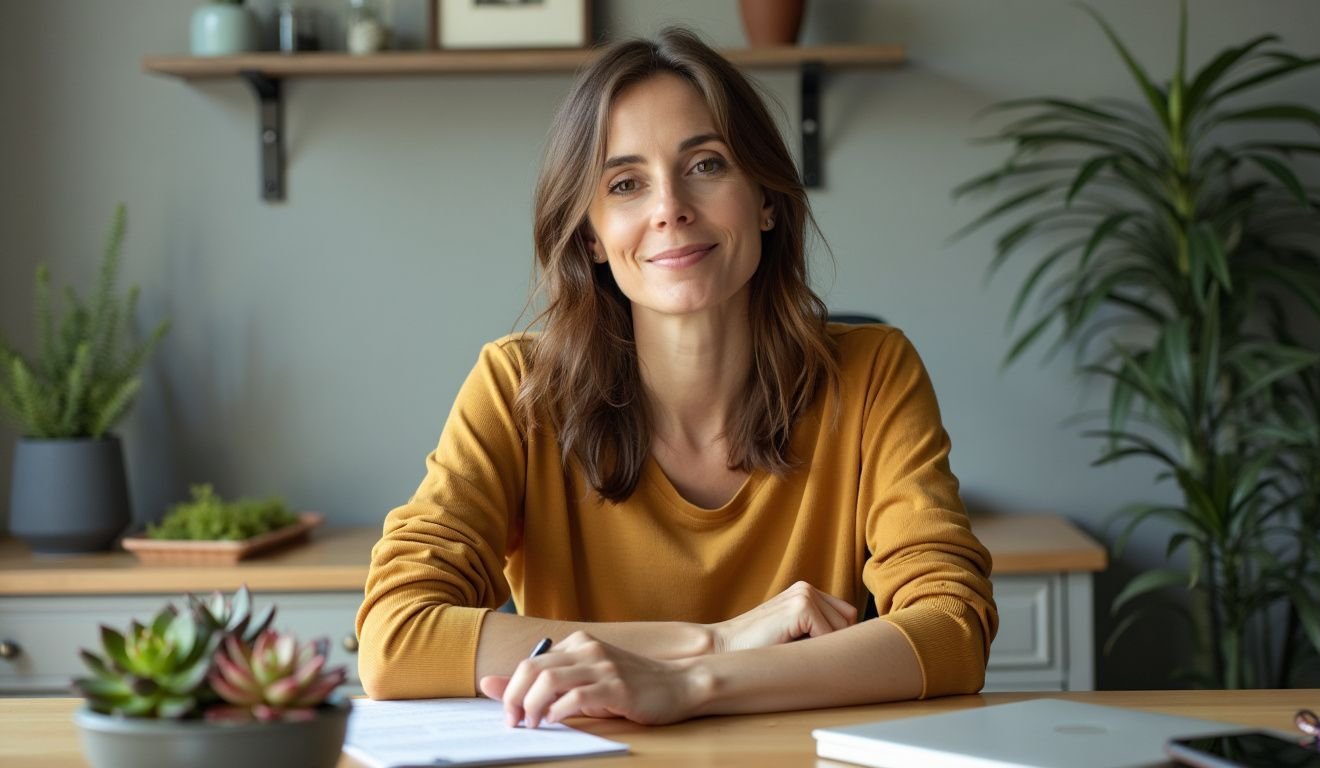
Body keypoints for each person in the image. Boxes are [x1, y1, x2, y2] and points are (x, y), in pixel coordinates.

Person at [356, 26, 997, 728]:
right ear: (592, 236)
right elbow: (394, 637)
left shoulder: (873, 373)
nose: (670, 208)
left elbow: (953, 630)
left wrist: (691, 684)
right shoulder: (517, 389)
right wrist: (712, 640)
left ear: (767, 198)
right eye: (626, 184)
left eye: (707, 164)